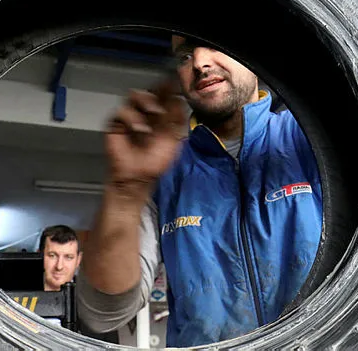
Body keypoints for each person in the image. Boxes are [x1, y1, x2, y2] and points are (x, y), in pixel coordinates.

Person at [76, 30, 323, 347]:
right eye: (185, 55)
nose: (200, 63)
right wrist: (125, 190)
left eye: (217, 44)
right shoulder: (164, 170)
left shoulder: (309, 140)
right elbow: (103, 313)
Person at [38, 224, 82, 292]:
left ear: (78, 260)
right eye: (52, 256)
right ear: (38, 256)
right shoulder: (18, 294)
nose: (59, 267)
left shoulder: (89, 299)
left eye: (69, 257)